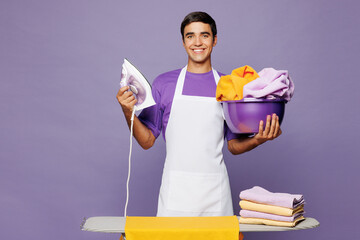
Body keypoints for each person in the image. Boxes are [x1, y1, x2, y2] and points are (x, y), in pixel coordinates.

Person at [116, 11, 281, 217]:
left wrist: (257, 140)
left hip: (215, 196)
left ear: (214, 40)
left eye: (204, 35)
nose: (197, 42)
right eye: (190, 36)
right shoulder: (164, 84)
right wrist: (127, 110)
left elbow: (233, 146)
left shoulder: (229, 86)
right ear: (183, 42)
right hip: (175, 194)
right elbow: (147, 141)